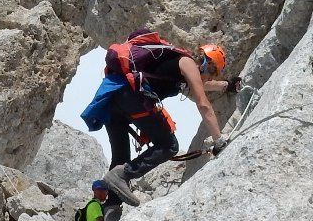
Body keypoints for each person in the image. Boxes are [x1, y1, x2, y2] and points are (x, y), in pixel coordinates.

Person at [79, 29, 234, 206]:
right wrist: (219, 139)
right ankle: (124, 174)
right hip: (133, 100)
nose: (208, 79)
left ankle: (110, 208)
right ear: (209, 66)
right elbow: (203, 103)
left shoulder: (179, 66)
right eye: (212, 74)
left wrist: (226, 86)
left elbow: (204, 85)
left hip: (115, 100)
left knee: (120, 158)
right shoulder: (188, 63)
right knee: (169, 145)